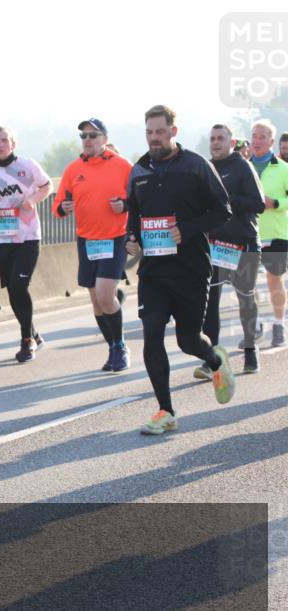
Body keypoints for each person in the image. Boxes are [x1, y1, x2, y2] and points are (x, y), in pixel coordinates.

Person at [124, 105, 235, 435]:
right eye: (149, 132)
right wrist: (132, 237)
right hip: (154, 271)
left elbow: (223, 211)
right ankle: (165, 411)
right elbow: (134, 215)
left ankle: (215, 360)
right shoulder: (138, 171)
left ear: (174, 132)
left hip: (191, 268)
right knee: (152, 332)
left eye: (159, 131)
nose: (154, 138)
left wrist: (186, 229)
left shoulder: (196, 166)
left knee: (188, 340)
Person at [53, 118, 133, 372]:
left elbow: (142, 198)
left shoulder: (122, 166)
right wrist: (63, 208)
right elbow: (58, 205)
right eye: (83, 136)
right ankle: (112, 348)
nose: (87, 140)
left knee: (105, 295)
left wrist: (126, 205)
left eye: (93, 135)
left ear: (105, 139)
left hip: (115, 237)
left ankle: (120, 346)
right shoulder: (73, 169)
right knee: (97, 301)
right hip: (87, 240)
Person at [0, 126, 52, 362]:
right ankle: (33, 333)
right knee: (12, 290)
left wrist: (32, 199)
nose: (0, 144)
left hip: (29, 235)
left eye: (4, 140)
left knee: (20, 287)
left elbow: (47, 185)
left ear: (13, 144)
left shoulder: (27, 166)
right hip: (4, 237)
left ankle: (26, 342)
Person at [196, 124, 265, 376]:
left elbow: (258, 204)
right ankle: (211, 358)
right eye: (212, 138)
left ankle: (250, 350)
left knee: (245, 298)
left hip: (243, 243)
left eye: (221, 138)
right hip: (215, 246)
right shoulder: (205, 168)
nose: (215, 143)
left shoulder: (243, 167)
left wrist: (227, 199)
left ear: (231, 142)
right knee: (209, 302)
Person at [249, 119, 288, 348]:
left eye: (262, 136)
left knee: (274, 280)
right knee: (247, 283)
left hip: (276, 232)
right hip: (249, 232)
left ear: (271, 141)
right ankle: (254, 323)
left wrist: (275, 202)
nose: (257, 140)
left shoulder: (283, 169)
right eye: (254, 135)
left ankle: (278, 323)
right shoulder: (244, 166)